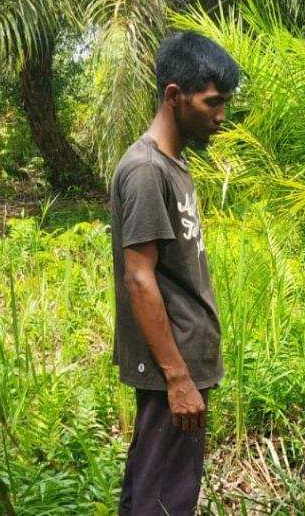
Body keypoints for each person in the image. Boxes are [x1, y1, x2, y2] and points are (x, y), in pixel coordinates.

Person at [110, 31, 239, 515]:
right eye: (213, 102)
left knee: (156, 491)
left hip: (184, 362)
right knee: (162, 502)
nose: (221, 116)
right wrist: (177, 378)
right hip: (173, 368)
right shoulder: (146, 170)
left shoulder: (173, 163)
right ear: (173, 95)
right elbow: (139, 278)